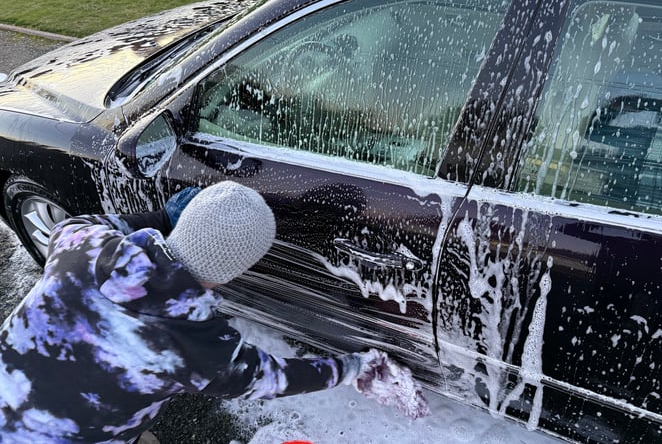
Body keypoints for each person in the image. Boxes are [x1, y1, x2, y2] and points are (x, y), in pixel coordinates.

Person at [0, 181, 428, 443]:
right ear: (232, 273)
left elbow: (71, 225)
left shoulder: (82, 247)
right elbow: (274, 379)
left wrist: (161, 216)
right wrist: (356, 367)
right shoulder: (194, 344)